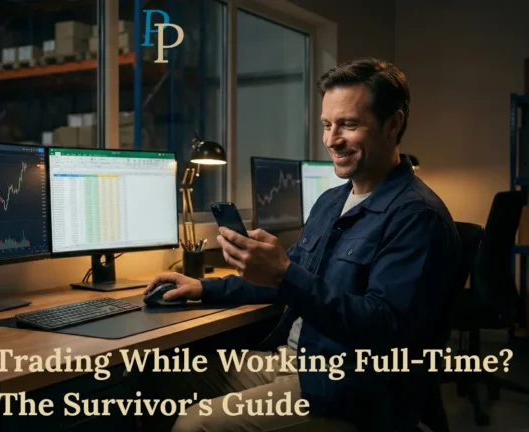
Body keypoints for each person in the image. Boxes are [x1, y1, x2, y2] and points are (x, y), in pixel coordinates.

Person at [142, 58, 462, 431]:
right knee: (158, 383)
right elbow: (287, 278)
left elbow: (383, 328)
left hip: (352, 389)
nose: (331, 140)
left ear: (394, 123)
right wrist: (202, 288)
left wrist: (284, 274)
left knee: (194, 425)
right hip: (296, 359)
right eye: (327, 125)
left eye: (349, 125)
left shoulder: (417, 217)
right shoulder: (331, 202)